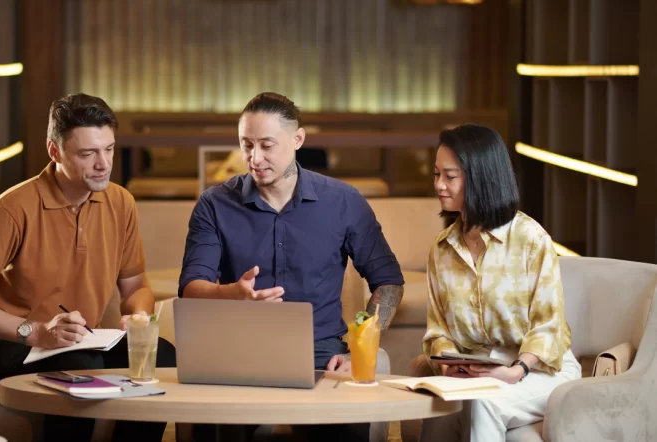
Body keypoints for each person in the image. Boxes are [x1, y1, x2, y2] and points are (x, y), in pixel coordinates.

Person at [0, 93, 176, 442]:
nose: (103, 164)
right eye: (87, 153)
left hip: (77, 344)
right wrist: (34, 332)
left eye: (109, 149)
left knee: (164, 357)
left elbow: (136, 286)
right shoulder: (13, 207)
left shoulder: (120, 202)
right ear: (54, 151)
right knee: (81, 369)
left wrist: (136, 317)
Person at [179, 92, 405, 441]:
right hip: (238, 352)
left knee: (341, 430)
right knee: (215, 427)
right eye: (247, 144)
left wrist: (363, 346)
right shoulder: (215, 204)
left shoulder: (343, 201)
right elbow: (192, 288)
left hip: (321, 352)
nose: (255, 158)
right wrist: (232, 295)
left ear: (297, 139)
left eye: (267, 145)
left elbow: (388, 282)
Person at [420, 124, 582, 441]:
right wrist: (448, 366)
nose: (439, 184)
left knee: (483, 400)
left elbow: (548, 327)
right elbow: (437, 330)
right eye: (437, 174)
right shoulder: (442, 249)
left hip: (539, 371)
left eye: (450, 176)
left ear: (480, 176)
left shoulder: (530, 240)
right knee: (439, 399)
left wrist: (515, 370)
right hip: (480, 369)